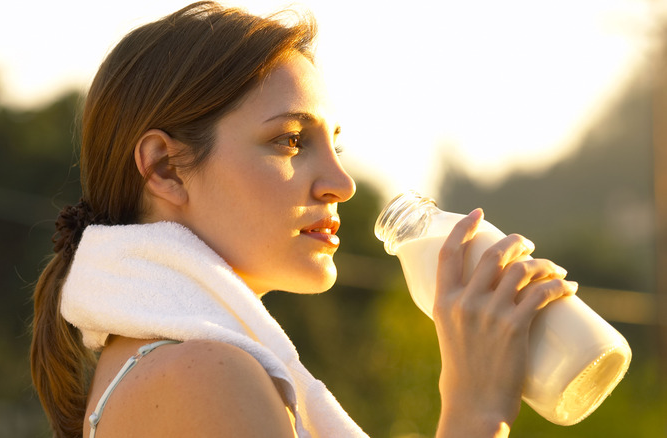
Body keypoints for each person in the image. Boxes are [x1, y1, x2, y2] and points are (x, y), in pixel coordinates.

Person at [30, 2, 578, 437]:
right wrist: (476, 411)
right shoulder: (200, 375)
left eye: (334, 143)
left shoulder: (165, 369)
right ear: (165, 167)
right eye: (290, 140)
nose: (342, 183)